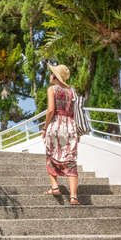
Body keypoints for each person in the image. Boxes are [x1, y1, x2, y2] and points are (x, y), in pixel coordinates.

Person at [41, 64, 80, 205]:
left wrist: (44, 128)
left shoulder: (52, 89)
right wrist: (78, 131)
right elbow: (77, 113)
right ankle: (74, 197)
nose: (50, 75)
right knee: (71, 160)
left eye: (52, 74)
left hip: (56, 126)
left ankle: (55, 187)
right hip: (70, 127)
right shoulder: (72, 91)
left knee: (50, 156)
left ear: (55, 76)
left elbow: (51, 110)